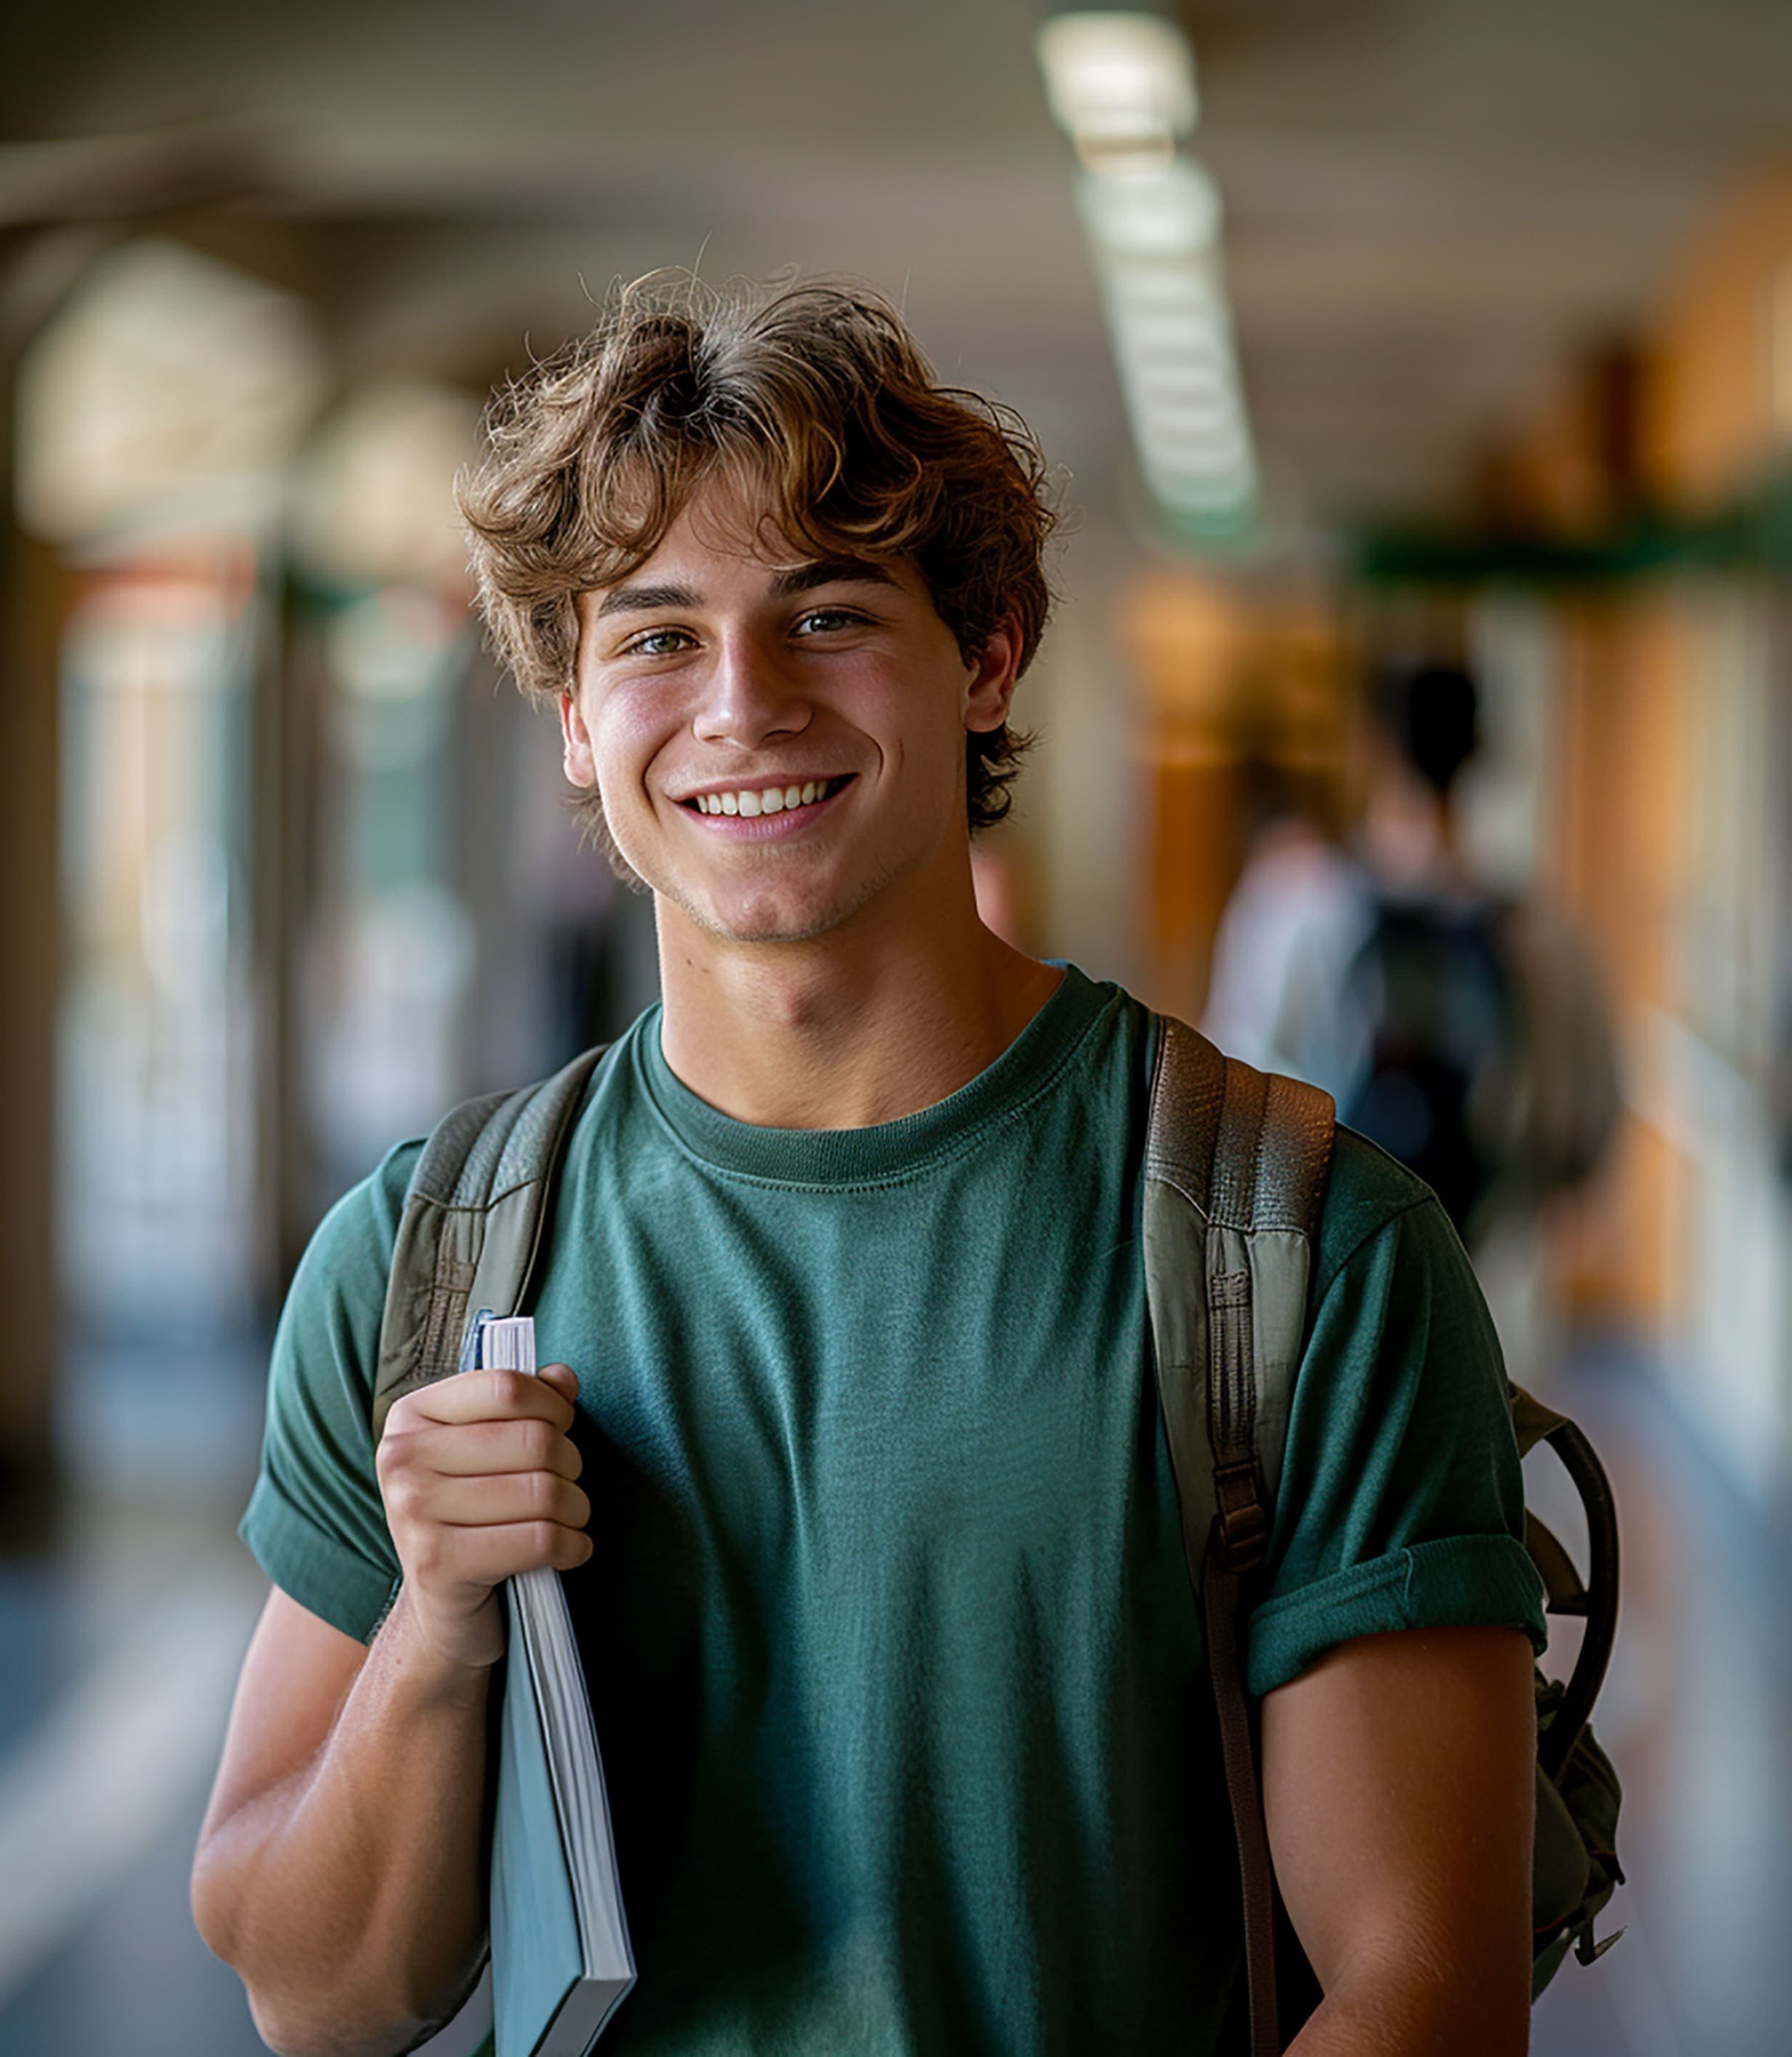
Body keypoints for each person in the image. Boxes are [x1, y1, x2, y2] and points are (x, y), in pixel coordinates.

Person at [192, 279, 1545, 2057]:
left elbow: (1423, 1992)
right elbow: (313, 1994)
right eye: (656, 638)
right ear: (576, 720)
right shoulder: (428, 1263)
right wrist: (441, 1629)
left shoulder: (1303, 1254)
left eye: (825, 616)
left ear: (984, 660)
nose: (741, 705)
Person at [1205, 663, 1620, 1374]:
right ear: (1483, 753)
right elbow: (1587, 1130)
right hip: (1489, 1304)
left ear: (1375, 750)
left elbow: (1227, 1102)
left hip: (1323, 1302)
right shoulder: (1544, 938)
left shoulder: (1292, 909)